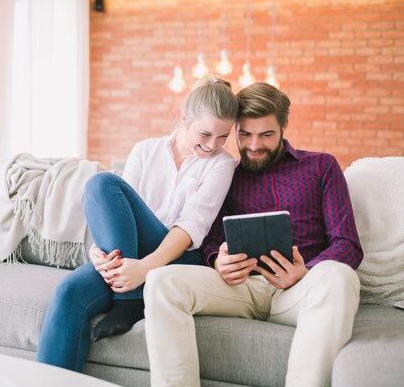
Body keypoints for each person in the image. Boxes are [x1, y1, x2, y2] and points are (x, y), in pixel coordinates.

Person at [144, 82, 363, 387]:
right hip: (239, 289)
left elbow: (348, 244)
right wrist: (216, 259)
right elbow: (207, 237)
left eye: (266, 135)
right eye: (244, 134)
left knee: (340, 277)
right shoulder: (226, 173)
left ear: (284, 126)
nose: (254, 145)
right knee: (160, 281)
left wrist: (306, 272)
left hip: (299, 291)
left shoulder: (321, 167)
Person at [36, 75, 240, 372]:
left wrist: (145, 269)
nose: (213, 145)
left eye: (223, 137)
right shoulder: (146, 150)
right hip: (128, 255)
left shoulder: (221, 163)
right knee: (70, 293)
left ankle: (130, 300)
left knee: (103, 182)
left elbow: (192, 225)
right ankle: (127, 296)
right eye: (205, 134)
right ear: (184, 117)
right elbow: (114, 212)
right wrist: (98, 252)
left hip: (177, 257)